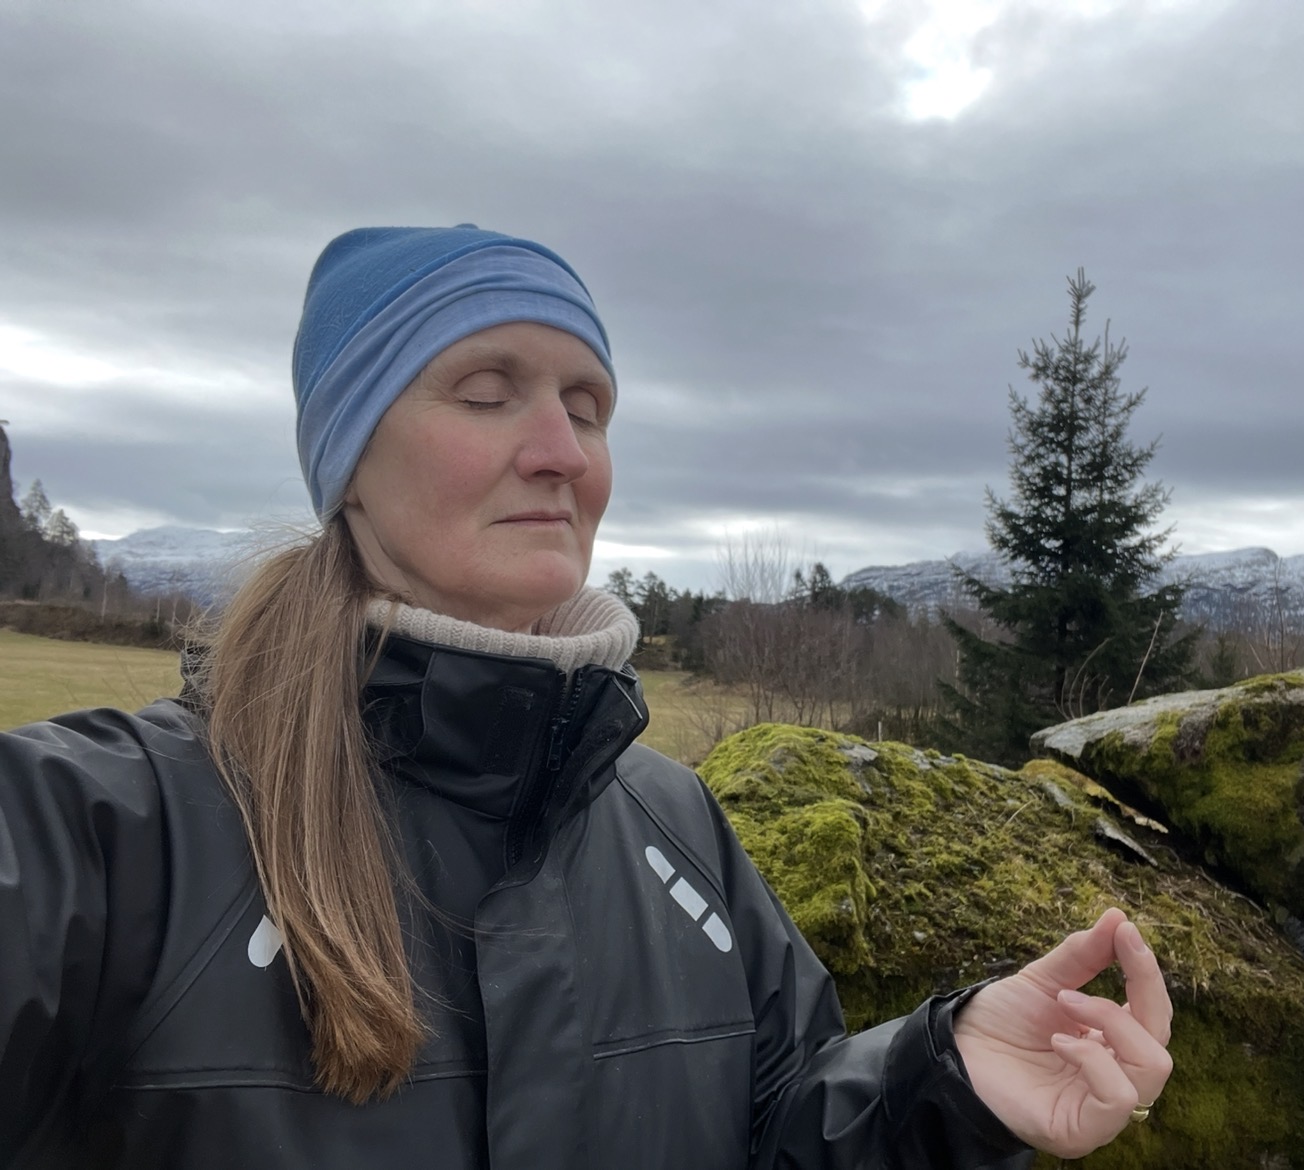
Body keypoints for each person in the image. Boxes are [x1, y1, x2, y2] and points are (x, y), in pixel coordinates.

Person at [0, 225, 1172, 1169]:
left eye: (588, 406)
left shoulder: (675, 826)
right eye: (486, 391)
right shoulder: (112, 832)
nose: (562, 450)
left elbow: (780, 1130)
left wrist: (945, 1089)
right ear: (348, 461)